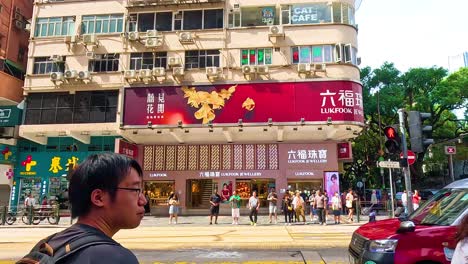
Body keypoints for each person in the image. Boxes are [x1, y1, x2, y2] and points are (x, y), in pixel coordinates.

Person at [20, 152, 146, 263]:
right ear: (98, 198)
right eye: (135, 190)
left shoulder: (47, 245)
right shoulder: (115, 258)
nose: (143, 200)